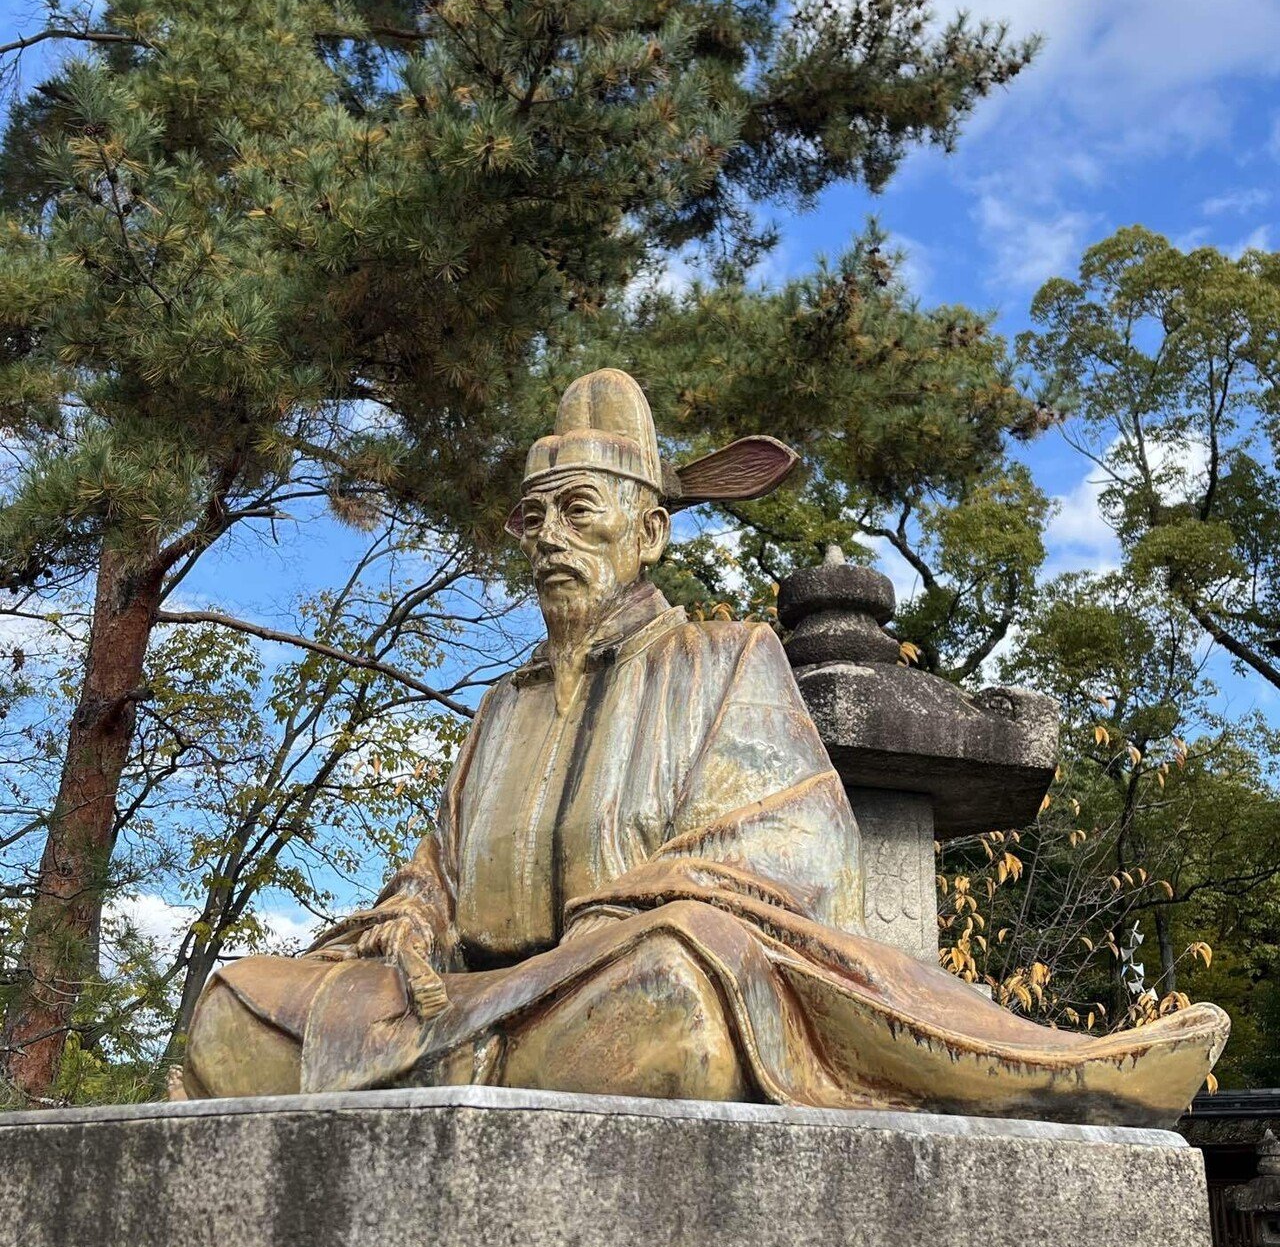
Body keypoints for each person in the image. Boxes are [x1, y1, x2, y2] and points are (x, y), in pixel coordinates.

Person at [180, 369, 1227, 1124]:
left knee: (672, 989)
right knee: (233, 1004)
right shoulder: (500, 708)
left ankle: (465, 1062)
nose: (548, 538)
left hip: (608, 981)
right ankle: (471, 1059)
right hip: (469, 1001)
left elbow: (796, 847)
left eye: (577, 510)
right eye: (533, 518)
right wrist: (410, 921)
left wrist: (624, 913)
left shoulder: (726, 658)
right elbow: (432, 876)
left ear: (648, 533)